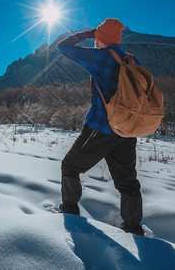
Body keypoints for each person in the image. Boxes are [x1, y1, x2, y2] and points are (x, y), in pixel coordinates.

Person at [56, 18, 144, 236]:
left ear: (100, 38)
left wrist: (88, 34)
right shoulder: (130, 60)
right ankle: (133, 228)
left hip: (99, 128)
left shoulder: (98, 57)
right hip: (126, 130)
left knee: (70, 167)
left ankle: (69, 211)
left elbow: (62, 47)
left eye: (98, 37)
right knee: (128, 183)